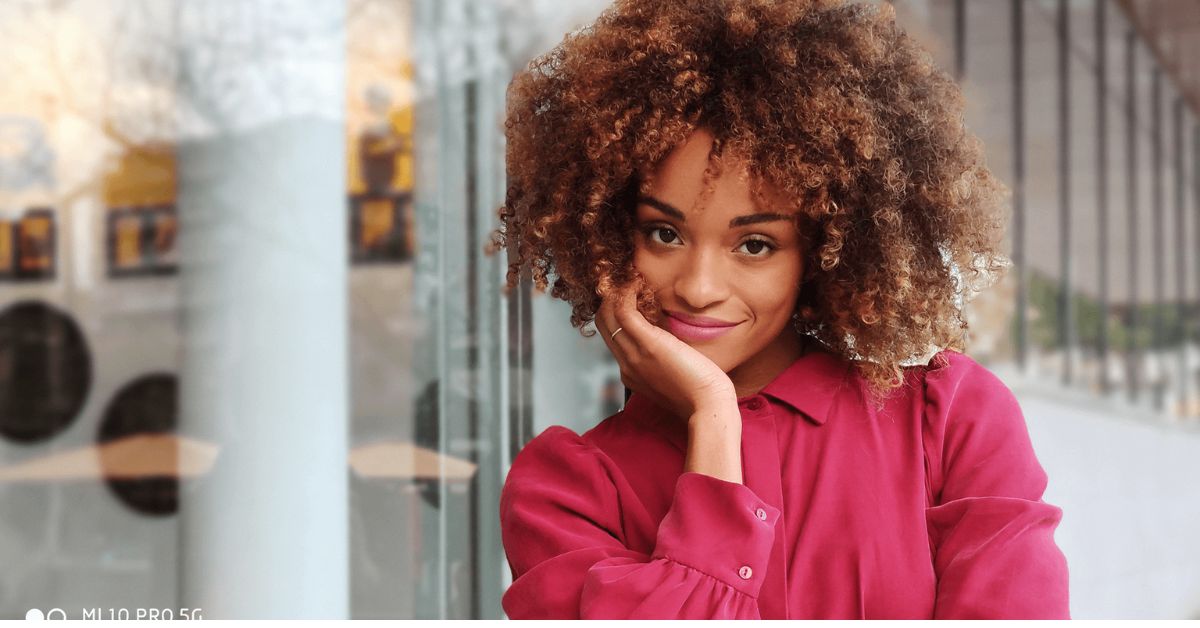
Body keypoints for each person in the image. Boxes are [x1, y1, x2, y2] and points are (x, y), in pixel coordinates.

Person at [488, 0, 1070, 619]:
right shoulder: (567, 492)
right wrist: (712, 421)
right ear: (606, 232)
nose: (699, 287)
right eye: (663, 233)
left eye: (755, 244)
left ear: (819, 252)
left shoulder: (947, 421)